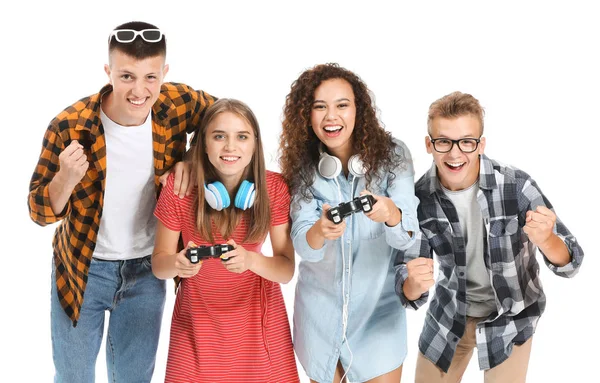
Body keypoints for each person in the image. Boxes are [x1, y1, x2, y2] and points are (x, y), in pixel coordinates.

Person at [27, 21, 216, 382]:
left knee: (133, 378)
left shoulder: (176, 104)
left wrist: (191, 161)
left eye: (150, 77)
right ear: (108, 72)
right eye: (127, 76)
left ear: (164, 73)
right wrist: (65, 180)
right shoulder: (70, 125)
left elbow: (223, 117)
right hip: (83, 270)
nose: (139, 90)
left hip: (148, 270)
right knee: (73, 377)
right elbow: (37, 210)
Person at [395, 91, 585, 382]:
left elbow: (571, 263)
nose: (455, 154)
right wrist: (412, 283)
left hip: (510, 318)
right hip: (449, 316)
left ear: (481, 144)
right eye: (443, 141)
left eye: (467, 142)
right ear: (428, 145)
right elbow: (410, 292)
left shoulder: (516, 186)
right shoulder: (418, 198)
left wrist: (546, 240)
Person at [278, 63, 420, 383]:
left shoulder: (394, 155)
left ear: (359, 109)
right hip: (319, 320)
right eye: (320, 107)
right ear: (307, 115)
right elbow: (304, 245)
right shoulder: (302, 167)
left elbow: (408, 236)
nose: (332, 116)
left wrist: (391, 214)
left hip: (377, 318)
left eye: (342, 105)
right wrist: (320, 230)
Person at [152, 98, 299, 382]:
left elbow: (286, 269)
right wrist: (177, 264)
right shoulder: (179, 188)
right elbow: (159, 264)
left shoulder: (274, 188)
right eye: (219, 136)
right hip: (196, 328)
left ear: (254, 144)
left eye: (241, 137)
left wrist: (251, 260)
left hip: (259, 329)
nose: (230, 147)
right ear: (203, 144)